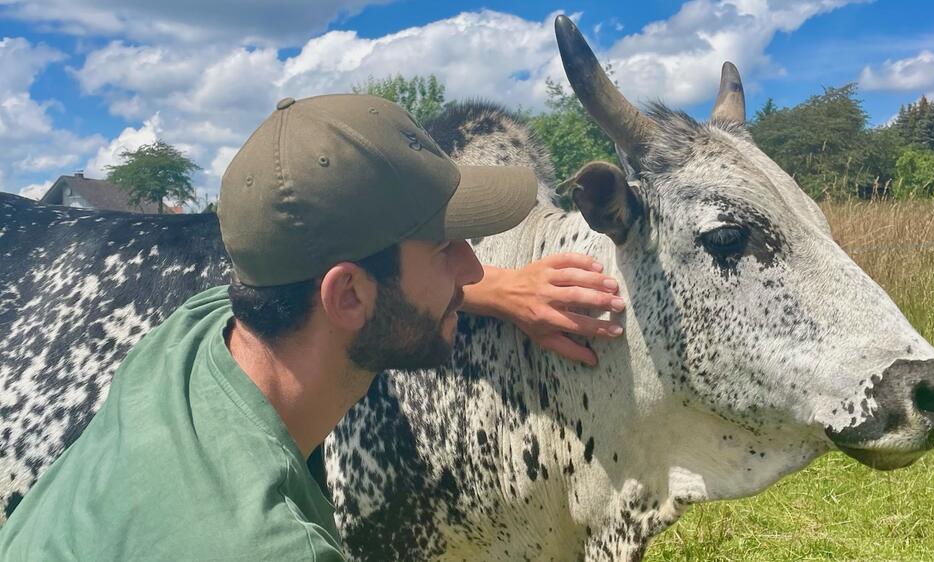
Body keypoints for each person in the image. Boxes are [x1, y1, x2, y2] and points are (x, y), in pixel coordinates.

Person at [0, 94, 623, 561]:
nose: (471, 268)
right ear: (347, 293)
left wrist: (498, 294)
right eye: (445, 247)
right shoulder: (270, 547)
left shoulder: (187, 336)